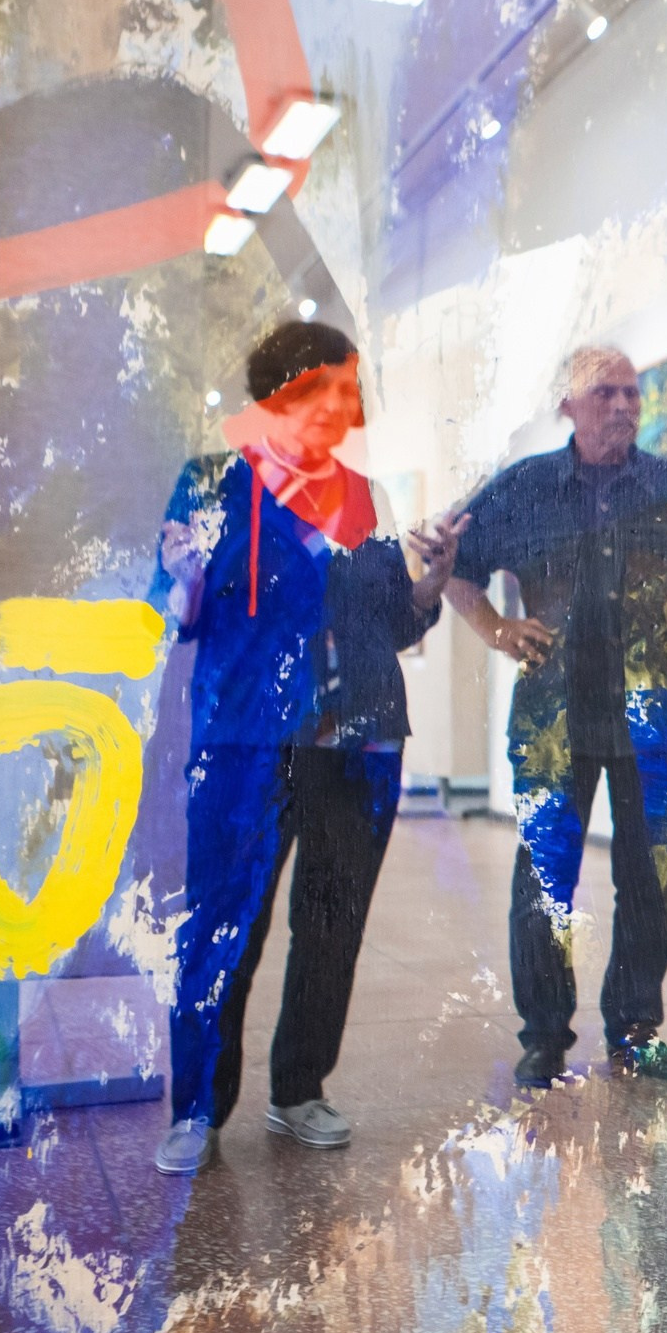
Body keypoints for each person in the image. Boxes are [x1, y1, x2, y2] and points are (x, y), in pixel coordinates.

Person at [150, 320, 463, 1176]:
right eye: (329, 385)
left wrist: (429, 585)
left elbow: (395, 621)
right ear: (284, 389)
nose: (344, 403)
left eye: (350, 388)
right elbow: (175, 614)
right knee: (223, 925)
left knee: (330, 923)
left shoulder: (364, 496)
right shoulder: (210, 483)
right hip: (246, 739)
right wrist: (181, 580)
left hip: (355, 741)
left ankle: (298, 1090)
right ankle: (197, 1108)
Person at [444, 346, 667, 1087]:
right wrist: (496, 629)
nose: (622, 406)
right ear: (568, 405)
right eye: (605, 393)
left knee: (648, 882)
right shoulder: (523, 488)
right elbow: (455, 566)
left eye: (632, 395)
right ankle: (545, 1036)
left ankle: (636, 1030)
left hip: (658, 723)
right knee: (544, 881)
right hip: (554, 723)